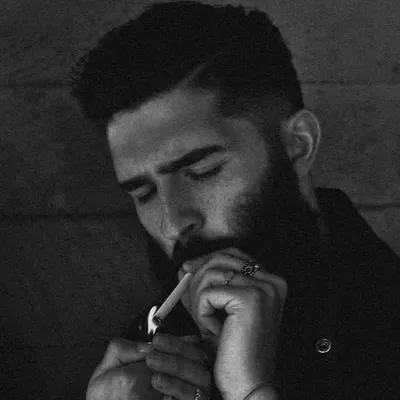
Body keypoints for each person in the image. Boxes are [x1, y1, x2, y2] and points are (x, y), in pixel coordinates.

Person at [70, 1, 400, 399]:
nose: (173, 223)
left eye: (203, 171)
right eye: (143, 193)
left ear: (297, 146)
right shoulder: (149, 354)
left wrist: (250, 392)